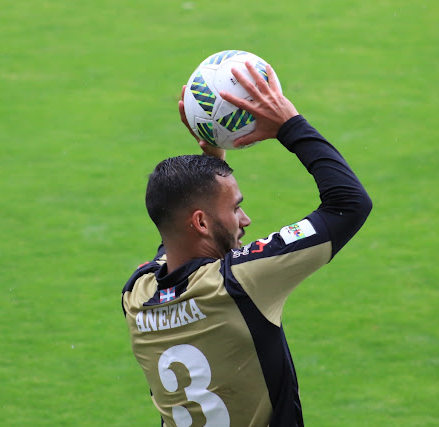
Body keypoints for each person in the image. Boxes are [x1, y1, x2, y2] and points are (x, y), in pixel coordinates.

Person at [121, 62, 372, 426]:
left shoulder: (136, 295)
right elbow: (349, 204)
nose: (246, 220)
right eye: (236, 208)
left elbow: (175, 240)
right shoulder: (240, 283)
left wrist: (213, 167)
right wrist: (290, 125)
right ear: (201, 222)